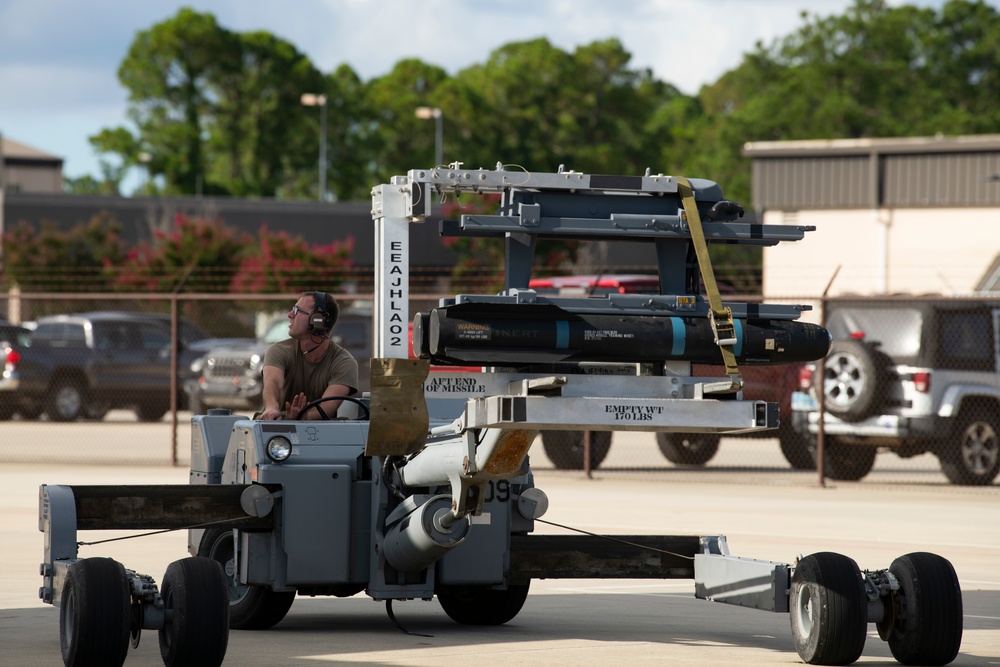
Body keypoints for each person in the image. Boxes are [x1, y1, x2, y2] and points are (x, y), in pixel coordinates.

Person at [258, 291, 359, 420]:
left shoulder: (344, 363)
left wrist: (304, 417)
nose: (290, 315)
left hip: (319, 435)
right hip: (275, 429)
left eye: (297, 310)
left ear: (318, 321)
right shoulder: (279, 350)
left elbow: (326, 408)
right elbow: (273, 382)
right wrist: (272, 408)